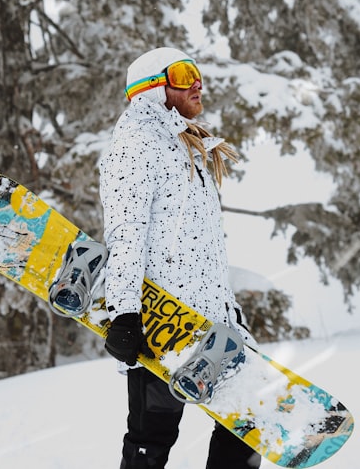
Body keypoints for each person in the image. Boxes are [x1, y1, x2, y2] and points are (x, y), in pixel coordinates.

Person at [98, 47, 261, 469]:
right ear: (153, 87)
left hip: (214, 323)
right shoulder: (136, 144)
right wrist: (125, 313)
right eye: (185, 73)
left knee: (246, 426)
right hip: (163, 322)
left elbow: (203, 250)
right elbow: (125, 232)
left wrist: (232, 313)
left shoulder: (185, 146)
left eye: (197, 73)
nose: (197, 82)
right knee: (153, 438)